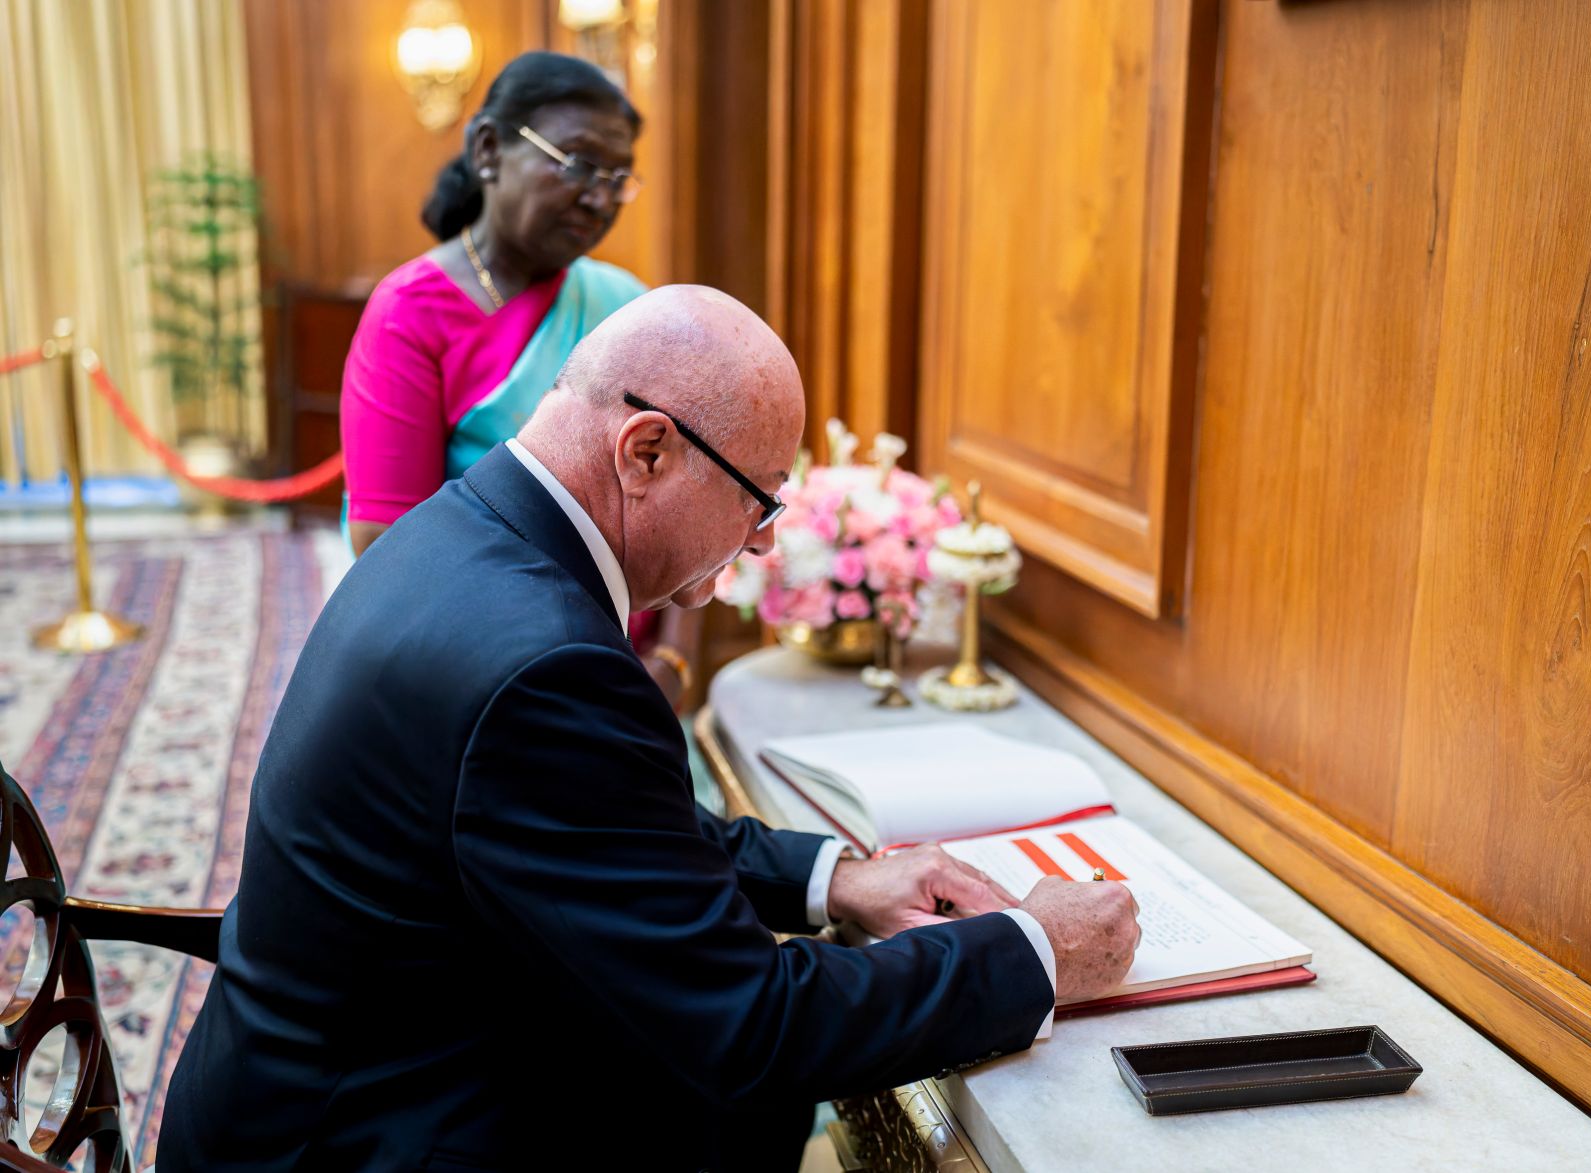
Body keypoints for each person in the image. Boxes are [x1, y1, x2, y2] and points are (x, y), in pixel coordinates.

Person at [157, 286, 1139, 1172]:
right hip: (357, 1137)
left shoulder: (461, 534)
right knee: (734, 1102)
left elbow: (599, 825)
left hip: (316, 1078)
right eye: (757, 499)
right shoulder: (546, 662)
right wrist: (1029, 949)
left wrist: (832, 877)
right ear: (647, 451)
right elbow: (749, 1024)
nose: (758, 541)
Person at [340, 50, 696, 704]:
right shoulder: (410, 315)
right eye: (579, 164)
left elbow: (698, 502)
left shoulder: (627, 303)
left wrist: (671, 662)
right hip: (485, 679)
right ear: (488, 150)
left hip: (634, 669)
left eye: (618, 178)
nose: (599, 197)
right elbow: (389, 548)